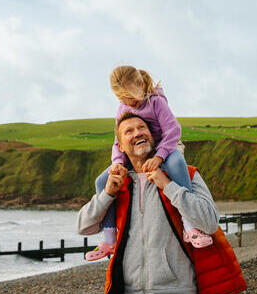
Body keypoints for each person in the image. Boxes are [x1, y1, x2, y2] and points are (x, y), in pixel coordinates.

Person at [77, 113, 246, 294]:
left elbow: (209, 222)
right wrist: (107, 195)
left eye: (142, 127)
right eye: (128, 131)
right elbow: (83, 226)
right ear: (120, 147)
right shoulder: (118, 183)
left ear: (153, 136)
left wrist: (168, 185)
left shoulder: (186, 175)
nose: (137, 133)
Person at [86, 66, 212, 262]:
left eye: (132, 98)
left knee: (177, 164)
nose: (129, 104)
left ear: (141, 85)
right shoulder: (123, 108)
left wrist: (160, 157)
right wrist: (118, 162)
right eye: (123, 100)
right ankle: (109, 239)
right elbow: (117, 141)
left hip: (166, 146)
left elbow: (173, 130)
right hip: (136, 151)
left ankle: (190, 226)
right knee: (102, 181)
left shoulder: (156, 102)